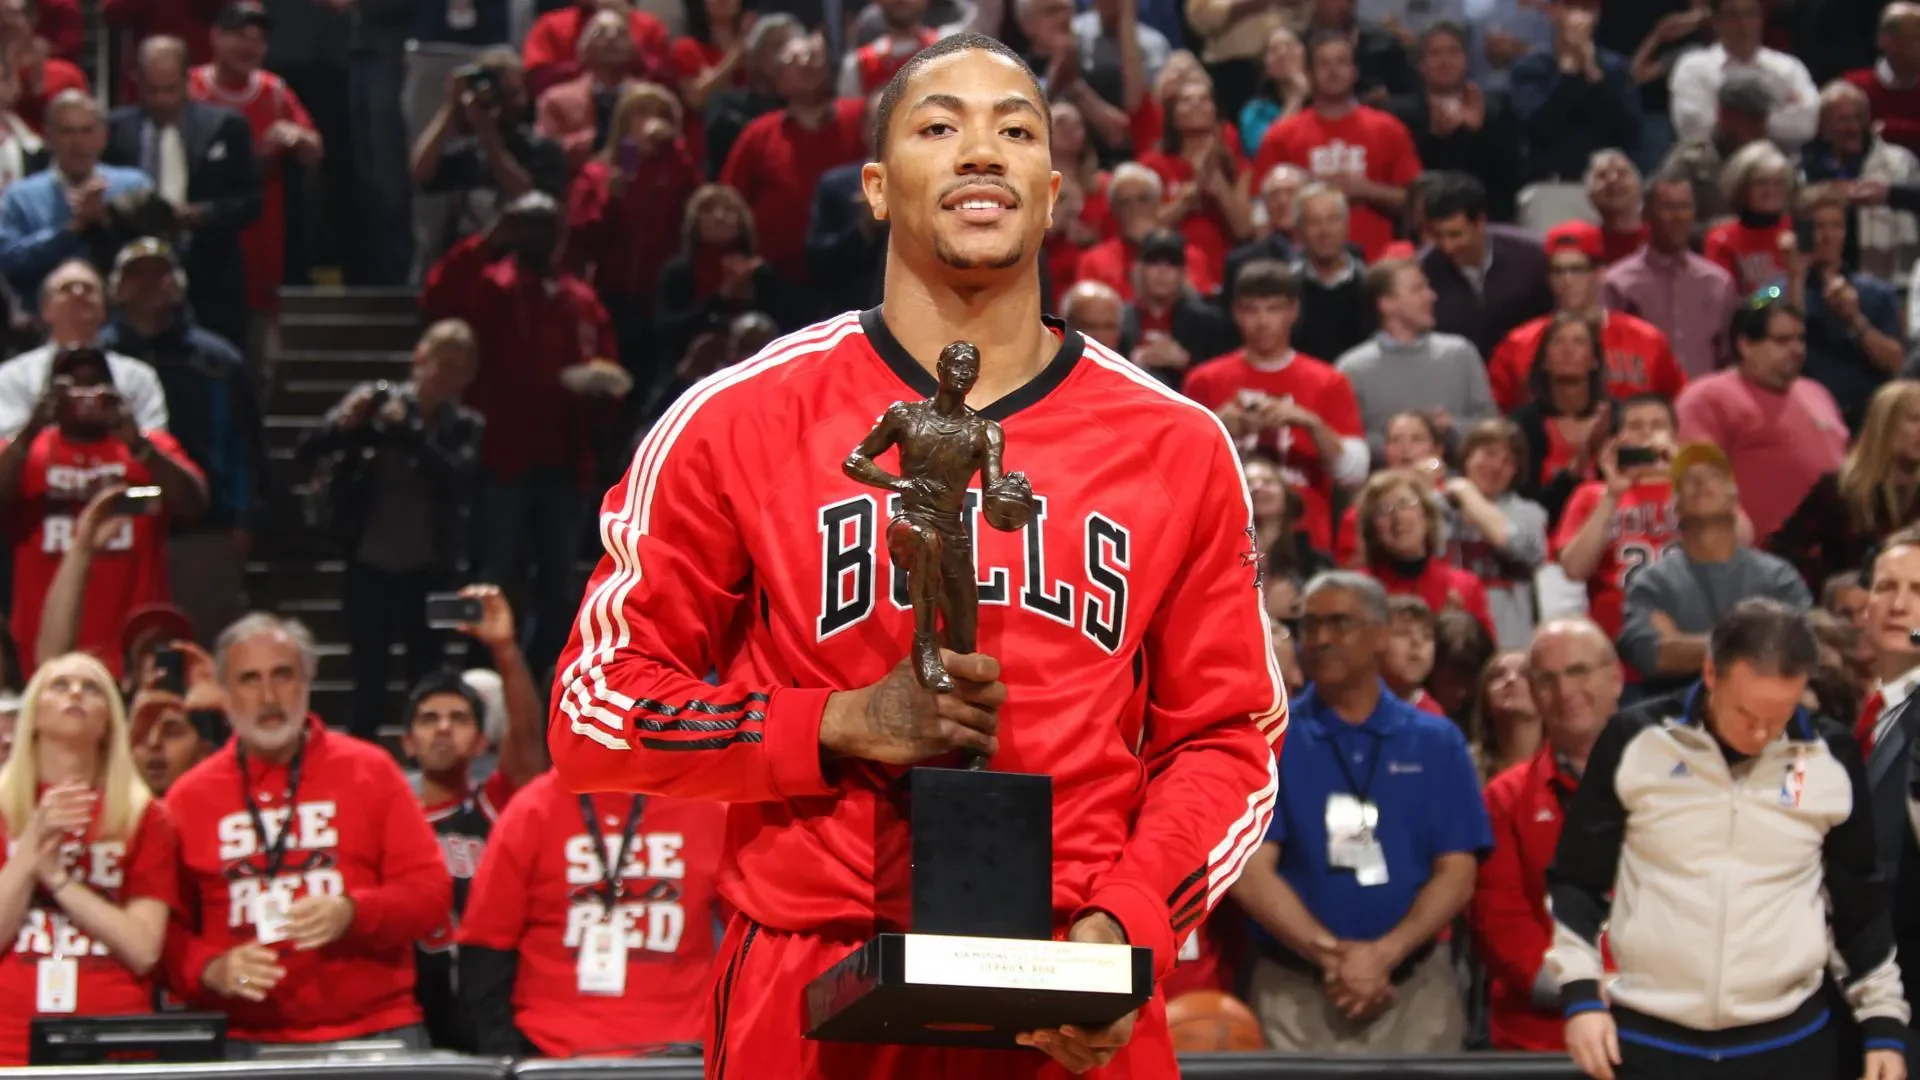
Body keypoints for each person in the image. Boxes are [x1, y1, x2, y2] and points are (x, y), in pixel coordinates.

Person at [546, 33, 1286, 1077]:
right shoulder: (739, 417)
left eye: (1015, 130)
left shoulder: (1177, 442)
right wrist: (837, 722)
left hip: (1070, 989)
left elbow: (1228, 739)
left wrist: (1125, 932)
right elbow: (594, 709)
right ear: (881, 189)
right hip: (811, 983)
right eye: (941, 126)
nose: (982, 152)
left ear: (1052, 188)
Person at [1548, 599, 1908, 1080]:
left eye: (1779, 715)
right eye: (1746, 712)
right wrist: (1580, 996)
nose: (1761, 732)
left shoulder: (1831, 756)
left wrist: (1882, 1022)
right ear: (1711, 674)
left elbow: (1859, 906)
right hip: (1646, 1041)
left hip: (1792, 1042)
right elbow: (1576, 881)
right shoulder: (1636, 740)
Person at [159, 614, 452, 1052]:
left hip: (373, 1029)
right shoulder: (188, 797)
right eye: (249, 680)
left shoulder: (370, 770)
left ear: (308, 681)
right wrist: (210, 968)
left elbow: (431, 894)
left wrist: (352, 912)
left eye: (283, 675)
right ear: (223, 692)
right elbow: (162, 930)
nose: (269, 696)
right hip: (244, 1037)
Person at [1230, 571, 1489, 1052]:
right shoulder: (1268, 739)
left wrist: (1383, 956)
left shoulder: (1438, 741)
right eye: (1309, 626)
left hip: (1415, 992)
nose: (1321, 638)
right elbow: (1250, 872)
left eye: (1340, 622)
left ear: (1380, 634)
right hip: (1295, 995)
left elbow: (1457, 872)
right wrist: (1336, 959)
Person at [0, 652, 176, 1064]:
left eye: (92, 687)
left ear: (108, 721)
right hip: (8, 1045)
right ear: (34, 714)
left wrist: (58, 879)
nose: (76, 692)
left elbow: (143, 948)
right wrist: (30, 850)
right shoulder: (3, 809)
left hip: (117, 1043)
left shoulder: (144, 816)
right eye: (60, 685)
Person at [1471, 619, 1620, 1052]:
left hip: (1658, 1033)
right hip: (1540, 1039)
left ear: (1615, 679)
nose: (1565, 691)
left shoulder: (1672, 783)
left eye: (1578, 672)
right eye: (1548, 679)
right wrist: (1587, 993)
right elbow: (1501, 920)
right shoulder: (1506, 797)